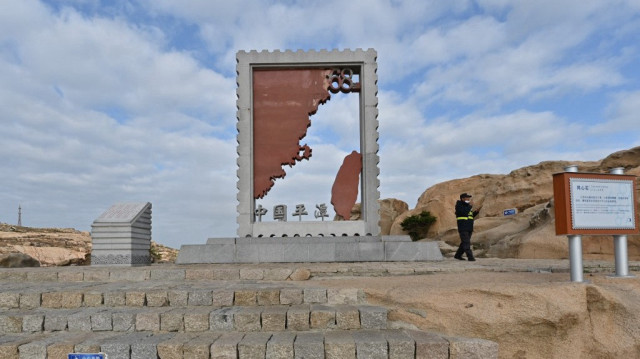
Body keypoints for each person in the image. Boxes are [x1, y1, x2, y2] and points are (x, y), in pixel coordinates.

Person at [454, 193, 480, 261]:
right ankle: (470, 257)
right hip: (463, 227)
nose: (468, 199)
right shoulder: (459, 205)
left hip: (469, 227)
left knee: (464, 242)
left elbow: (470, 216)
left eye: (469, 198)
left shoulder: (468, 206)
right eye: (467, 198)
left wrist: (476, 212)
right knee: (466, 243)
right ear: (462, 198)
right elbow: (463, 213)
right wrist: (470, 206)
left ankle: (458, 255)